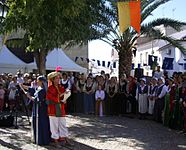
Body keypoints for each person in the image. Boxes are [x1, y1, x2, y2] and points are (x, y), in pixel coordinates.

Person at [20, 76, 50, 145]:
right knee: (36, 122)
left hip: (40, 109)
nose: (36, 82)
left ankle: (42, 140)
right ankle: (37, 138)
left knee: (41, 123)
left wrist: (29, 96)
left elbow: (37, 100)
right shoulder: (38, 88)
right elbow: (32, 89)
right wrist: (22, 86)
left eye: (38, 80)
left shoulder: (42, 90)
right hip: (36, 108)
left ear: (41, 82)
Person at [46, 72, 73, 146]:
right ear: (53, 79)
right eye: (57, 78)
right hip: (53, 108)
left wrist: (65, 97)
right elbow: (50, 98)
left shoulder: (61, 87)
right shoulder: (50, 88)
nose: (59, 79)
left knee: (63, 124)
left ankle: (66, 139)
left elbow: (63, 96)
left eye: (59, 78)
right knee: (54, 125)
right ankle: (56, 141)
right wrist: (61, 95)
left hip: (61, 108)